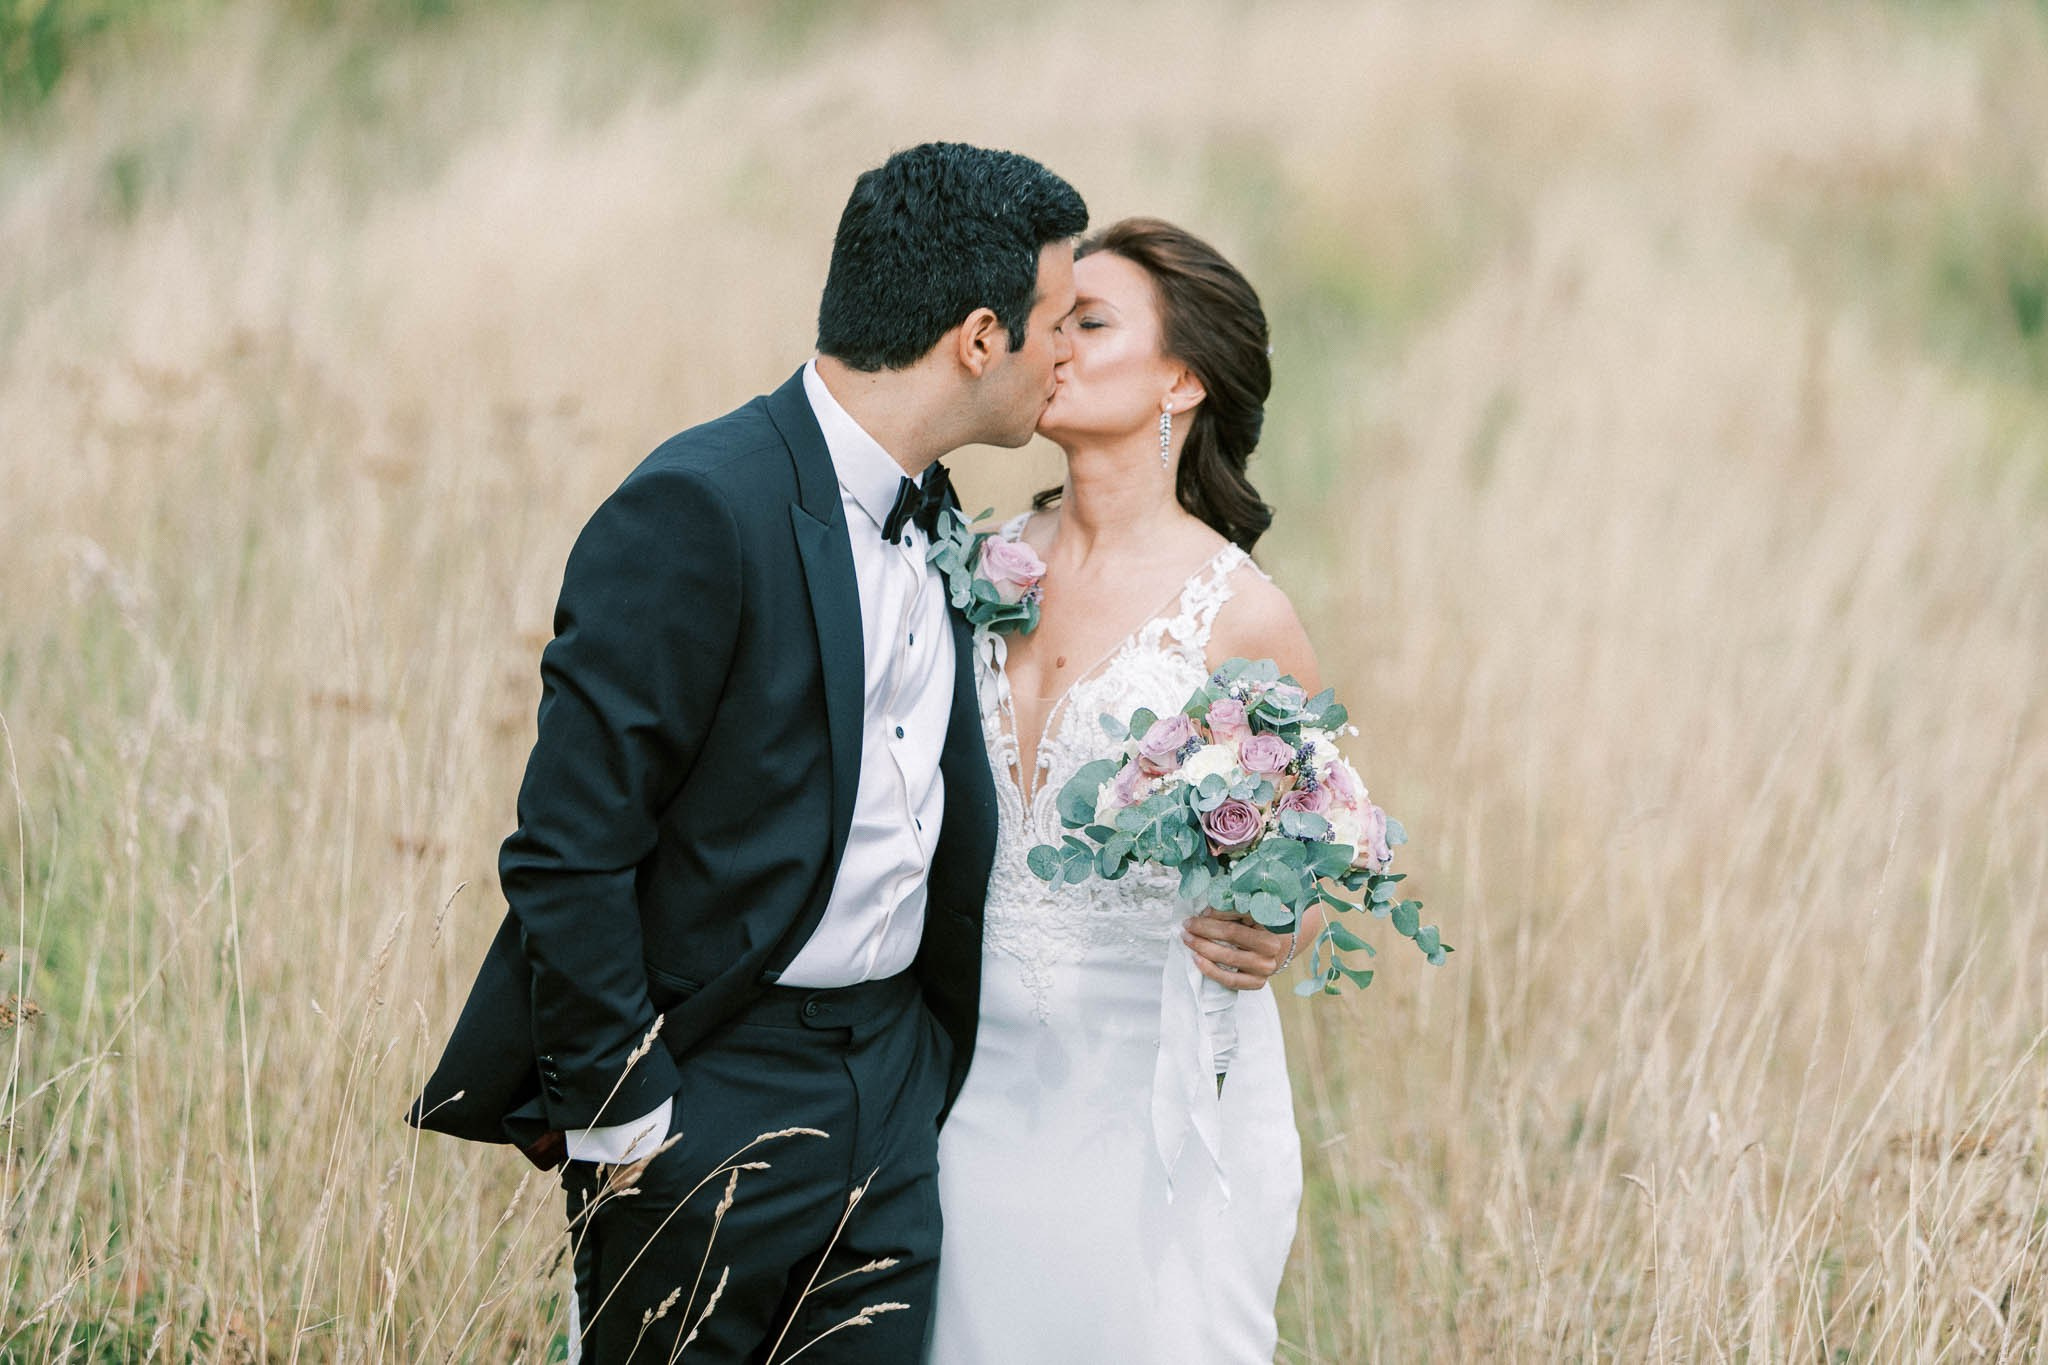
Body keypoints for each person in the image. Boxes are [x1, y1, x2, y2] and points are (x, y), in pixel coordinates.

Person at [409, 142, 1088, 1363]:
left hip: (890, 1092)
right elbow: (570, 846)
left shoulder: (939, 516)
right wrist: (630, 1120)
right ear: (979, 337)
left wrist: (916, 1075)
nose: (1068, 359)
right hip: (710, 1095)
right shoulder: (698, 506)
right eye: (1056, 326)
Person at [929, 218, 1313, 1363]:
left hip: (1144, 1101)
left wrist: (1272, 928)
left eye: (1089, 323)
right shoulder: (975, 566)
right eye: (1049, 319)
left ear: (1180, 379)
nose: (1051, 342)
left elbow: (1299, 861)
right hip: (962, 1081)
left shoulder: (1238, 615)